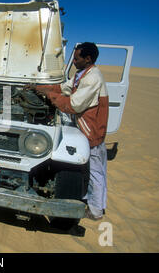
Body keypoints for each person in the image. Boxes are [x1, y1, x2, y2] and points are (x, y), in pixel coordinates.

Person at [28, 42, 108, 221]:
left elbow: (73, 104)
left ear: (88, 59)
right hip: (84, 128)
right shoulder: (82, 75)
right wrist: (40, 88)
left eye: (77, 58)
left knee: (95, 171)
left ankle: (95, 211)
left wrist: (50, 96)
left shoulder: (93, 78)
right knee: (87, 169)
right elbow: (64, 88)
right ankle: (89, 200)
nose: (74, 61)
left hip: (91, 131)